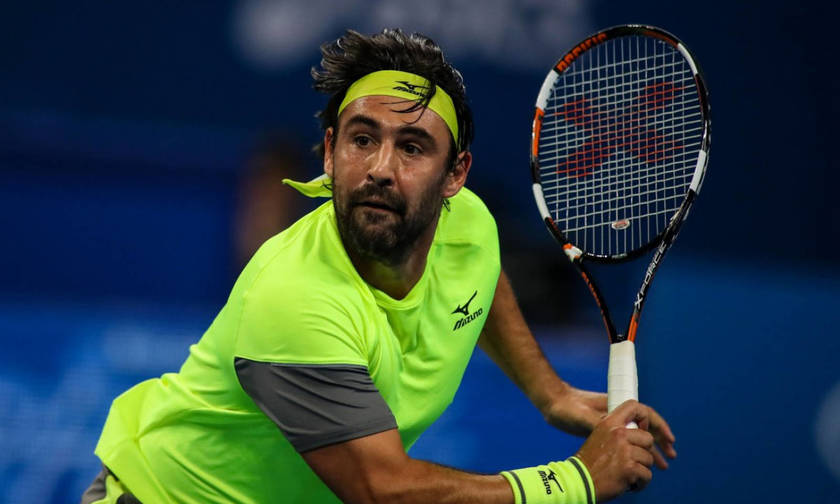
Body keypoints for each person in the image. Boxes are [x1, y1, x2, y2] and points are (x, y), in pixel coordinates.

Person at [82, 28, 676, 504]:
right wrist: (574, 481)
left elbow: (480, 278)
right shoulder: (295, 296)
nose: (381, 169)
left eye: (412, 147)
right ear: (329, 152)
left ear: (455, 176)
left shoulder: (468, 225)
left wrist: (551, 393)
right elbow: (380, 488)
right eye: (362, 139)